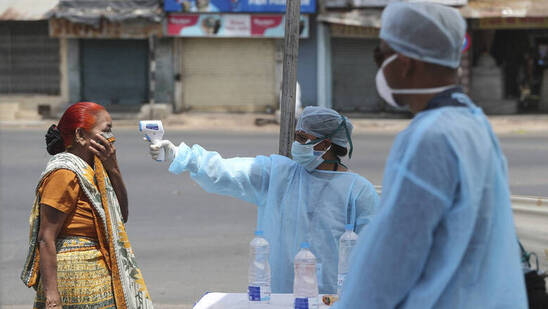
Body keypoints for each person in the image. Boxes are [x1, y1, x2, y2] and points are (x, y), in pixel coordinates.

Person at [335, 2, 528, 308]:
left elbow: (390, 259)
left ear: (405, 63)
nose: (379, 66)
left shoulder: (430, 137)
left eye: (380, 54)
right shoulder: (475, 123)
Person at [148, 106, 379, 294]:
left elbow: (375, 256)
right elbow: (228, 171)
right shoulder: (278, 174)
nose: (295, 143)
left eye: (302, 138)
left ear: (325, 144)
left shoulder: (358, 192)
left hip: (334, 300)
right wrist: (181, 155)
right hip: (278, 298)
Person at [21, 102, 153, 309]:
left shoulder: (96, 171)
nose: (111, 138)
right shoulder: (64, 173)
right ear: (81, 135)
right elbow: (46, 237)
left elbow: (121, 215)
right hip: (73, 277)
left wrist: (114, 167)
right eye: (106, 130)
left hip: (96, 273)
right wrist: (52, 296)